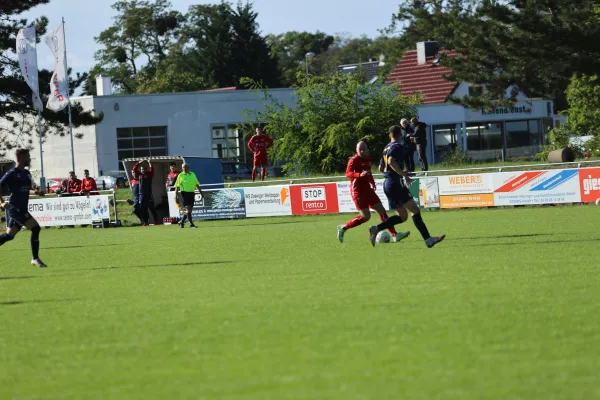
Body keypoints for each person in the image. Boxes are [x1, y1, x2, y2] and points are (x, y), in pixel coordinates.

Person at [368, 126, 445, 248]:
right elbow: (391, 162)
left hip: (387, 184)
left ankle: (376, 228)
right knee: (415, 210)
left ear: (390, 135)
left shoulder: (386, 148)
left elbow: (381, 168)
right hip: (395, 183)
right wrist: (402, 174)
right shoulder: (397, 146)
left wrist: (398, 171)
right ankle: (428, 240)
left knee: (403, 216)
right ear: (400, 134)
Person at [337, 141, 410, 244]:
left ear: (367, 149)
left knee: (382, 211)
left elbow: (369, 172)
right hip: (357, 191)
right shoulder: (353, 160)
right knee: (366, 217)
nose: (362, 151)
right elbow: (348, 173)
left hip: (368, 190)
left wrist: (372, 182)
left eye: (364, 149)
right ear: (356, 150)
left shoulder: (367, 159)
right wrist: (359, 175)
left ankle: (395, 235)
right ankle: (344, 227)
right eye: (360, 149)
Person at [0, 149, 47, 267]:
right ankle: (35, 258)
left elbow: (27, 188)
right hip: (16, 209)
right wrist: (1, 202)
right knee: (35, 228)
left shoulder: (27, 173)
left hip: (23, 208)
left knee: (9, 236)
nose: (29, 159)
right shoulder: (11, 173)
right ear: (21, 157)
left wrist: (36, 192)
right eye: (28, 156)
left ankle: (35, 259)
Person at [174, 163, 203, 229]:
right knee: (188, 208)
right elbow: (177, 187)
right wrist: (175, 196)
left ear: (188, 167)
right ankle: (191, 224)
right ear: (182, 168)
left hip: (191, 193)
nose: (185, 168)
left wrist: (201, 193)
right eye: (183, 167)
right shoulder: (180, 175)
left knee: (189, 210)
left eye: (186, 167)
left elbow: (196, 184)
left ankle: (182, 222)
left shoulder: (192, 174)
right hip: (184, 193)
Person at [132, 159, 159, 226]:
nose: (143, 170)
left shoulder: (149, 174)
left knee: (152, 208)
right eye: (142, 169)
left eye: (144, 169)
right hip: (141, 194)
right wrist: (138, 163)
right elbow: (134, 169)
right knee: (142, 208)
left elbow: (152, 168)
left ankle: (156, 221)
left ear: (146, 169)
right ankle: (146, 222)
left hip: (149, 194)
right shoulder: (139, 175)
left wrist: (149, 162)